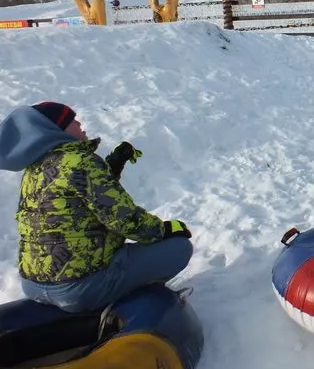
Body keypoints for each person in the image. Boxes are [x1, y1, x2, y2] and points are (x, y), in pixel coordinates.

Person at [0, 102, 194, 313]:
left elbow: (72, 198)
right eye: (72, 121)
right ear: (55, 131)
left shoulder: (34, 170)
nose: (79, 123)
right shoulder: (82, 162)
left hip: (33, 285)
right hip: (79, 288)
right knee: (179, 247)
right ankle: (130, 303)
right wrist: (164, 230)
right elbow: (125, 219)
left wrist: (111, 167)